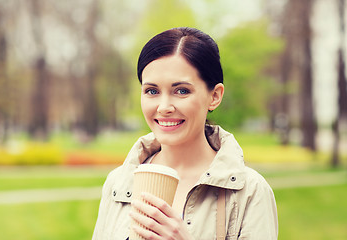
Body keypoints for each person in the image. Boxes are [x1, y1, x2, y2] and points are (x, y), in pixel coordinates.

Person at [92, 27, 278, 240]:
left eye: (182, 91)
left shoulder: (250, 192)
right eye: (152, 91)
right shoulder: (118, 183)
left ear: (214, 96)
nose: (164, 107)